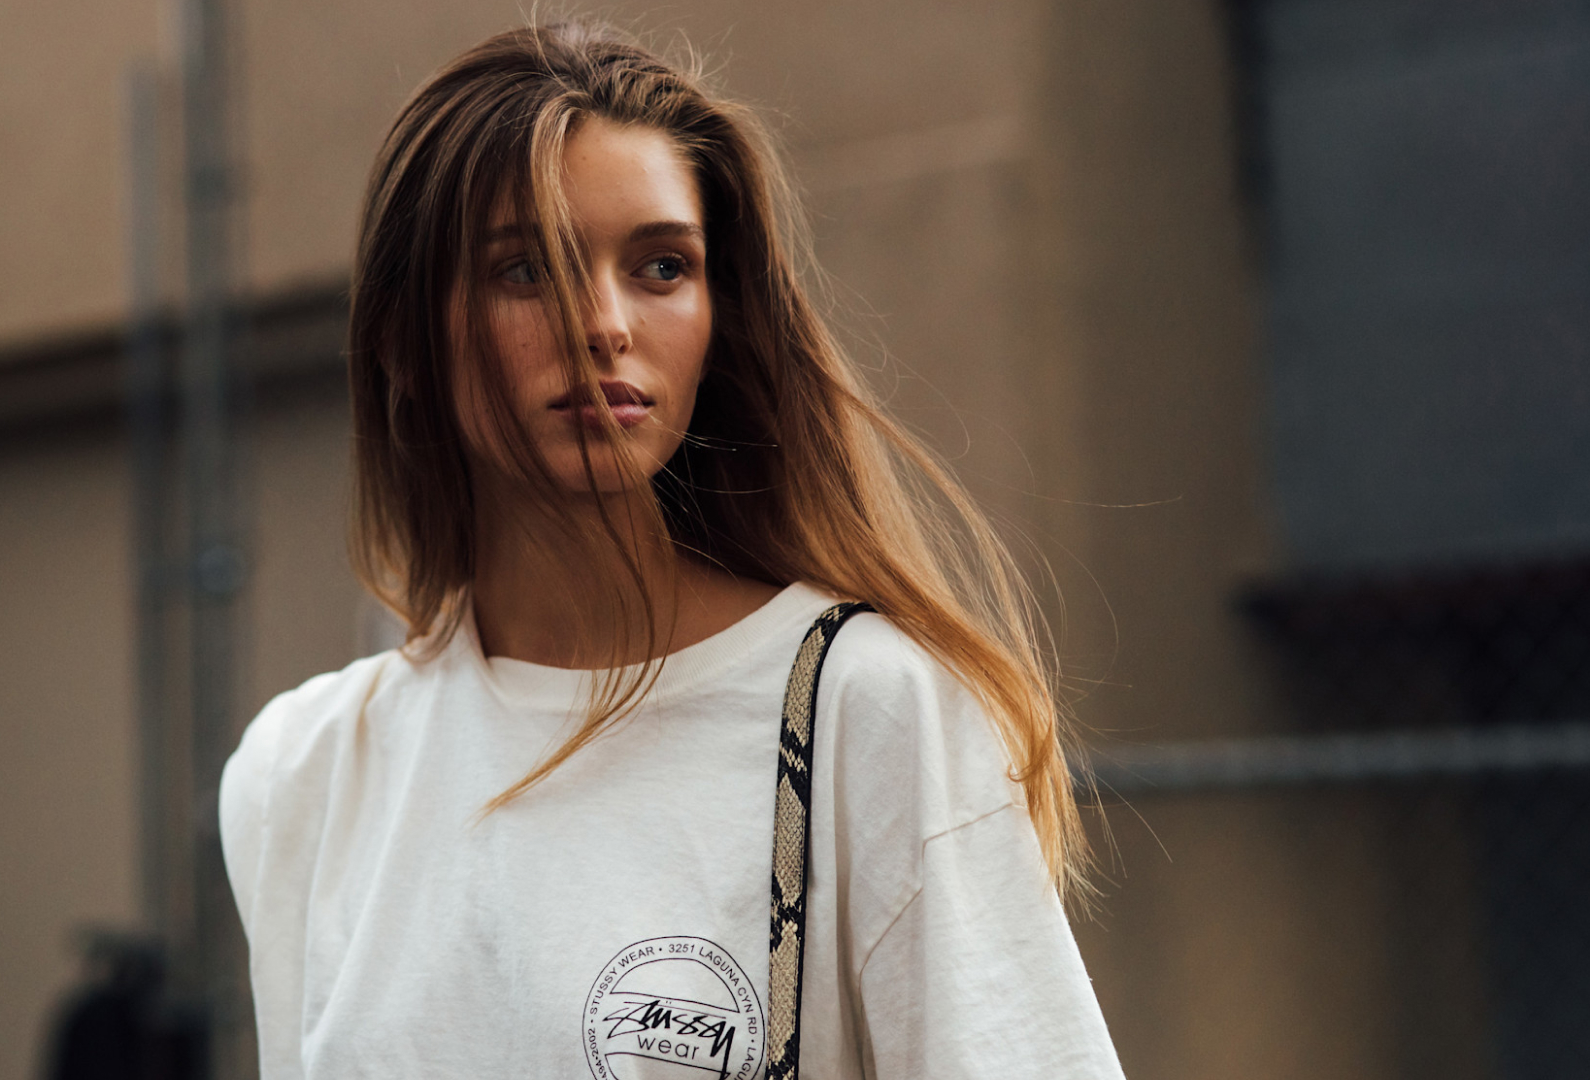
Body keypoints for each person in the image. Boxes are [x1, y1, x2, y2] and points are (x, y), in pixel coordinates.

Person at [221, 20, 1124, 1080]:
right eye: (525, 269)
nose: (603, 322)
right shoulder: (307, 773)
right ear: (401, 339)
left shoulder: (862, 711)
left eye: (660, 265)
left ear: (716, 316)